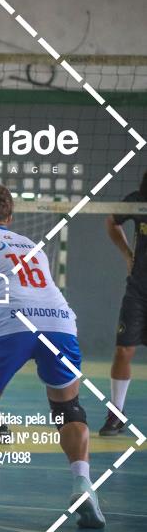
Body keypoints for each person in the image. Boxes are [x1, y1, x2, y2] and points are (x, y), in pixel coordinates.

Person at [0, 180, 103, 531]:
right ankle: (83, 484)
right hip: (61, 323)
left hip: (9, 323)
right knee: (68, 409)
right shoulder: (32, 246)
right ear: (9, 216)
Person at [102, 171, 147, 435]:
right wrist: (127, 254)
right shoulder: (138, 200)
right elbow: (112, 220)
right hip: (138, 289)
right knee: (123, 350)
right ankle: (116, 414)